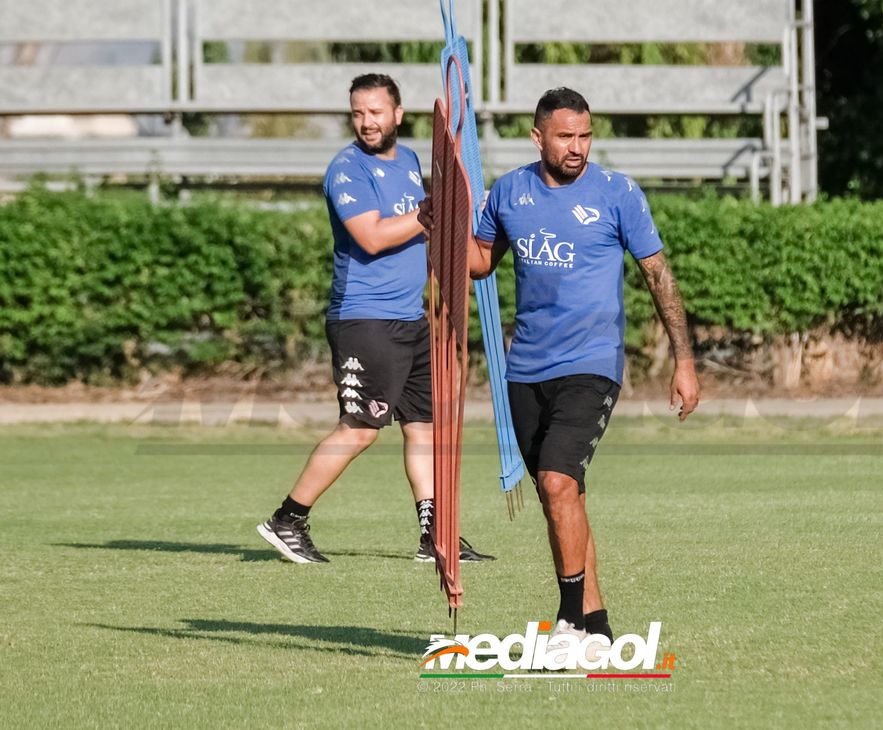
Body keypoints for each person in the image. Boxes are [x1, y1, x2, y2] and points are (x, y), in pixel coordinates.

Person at [420, 87, 698, 642]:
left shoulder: (619, 193)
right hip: (525, 369)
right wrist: (441, 228)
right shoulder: (511, 192)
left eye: (586, 135)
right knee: (565, 496)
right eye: (566, 136)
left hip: (592, 363)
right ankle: (597, 625)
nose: (578, 147)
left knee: (554, 482)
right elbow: (477, 264)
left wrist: (684, 361)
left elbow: (658, 276)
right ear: (538, 136)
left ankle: (568, 620)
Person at [257, 73, 494, 565]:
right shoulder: (346, 170)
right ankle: (288, 519)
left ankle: (435, 536)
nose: (367, 122)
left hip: (411, 318)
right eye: (358, 113)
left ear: (398, 114)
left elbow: (427, 231)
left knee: (424, 427)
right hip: (365, 319)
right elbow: (373, 237)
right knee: (362, 427)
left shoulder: (409, 161)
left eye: (376, 112)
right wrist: (434, 209)